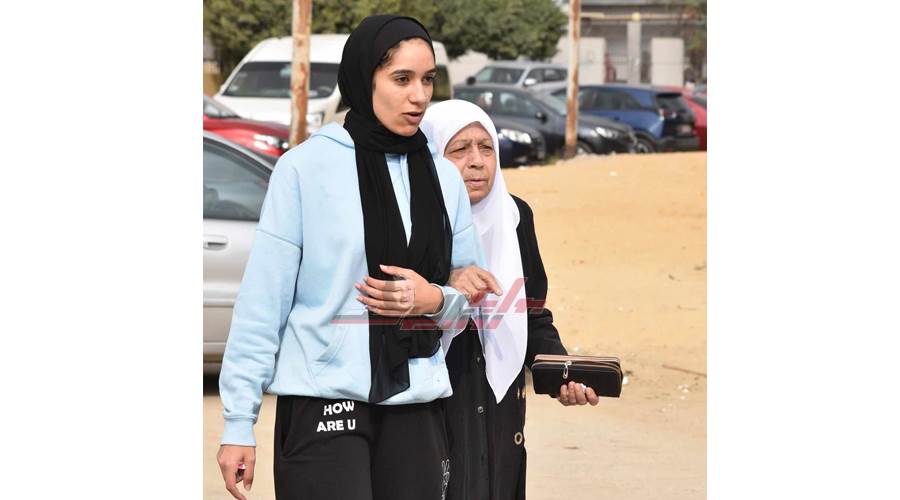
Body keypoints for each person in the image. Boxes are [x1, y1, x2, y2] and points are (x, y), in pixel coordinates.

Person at [215, 16, 493, 500]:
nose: (419, 96)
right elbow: (263, 302)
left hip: (416, 402)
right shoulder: (304, 168)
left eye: (428, 80)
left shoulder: (442, 177)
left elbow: (467, 301)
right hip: (323, 398)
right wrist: (240, 421)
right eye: (402, 79)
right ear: (365, 79)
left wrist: (433, 299)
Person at [420, 100, 600, 500]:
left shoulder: (515, 216)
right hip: (436, 394)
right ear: (431, 156)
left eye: (486, 148)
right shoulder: (412, 222)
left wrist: (561, 373)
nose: (477, 161)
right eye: (459, 149)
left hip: (500, 403)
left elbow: (531, 313)